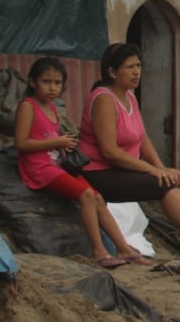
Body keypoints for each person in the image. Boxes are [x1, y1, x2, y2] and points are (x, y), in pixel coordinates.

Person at [78, 44, 180, 258]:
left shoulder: (129, 96)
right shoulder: (104, 99)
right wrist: (152, 171)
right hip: (100, 172)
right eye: (129, 67)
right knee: (163, 185)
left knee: (174, 180)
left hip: (121, 169)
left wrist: (162, 167)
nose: (136, 72)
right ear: (112, 72)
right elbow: (110, 152)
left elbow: (142, 138)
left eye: (138, 66)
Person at [14, 57, 151, 269]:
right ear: (32, 82)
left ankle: (124, 248)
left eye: (57, 83)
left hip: (56, 163)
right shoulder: (28, 106)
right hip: (39, 168)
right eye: (46, 81)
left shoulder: (52, 108)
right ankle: (98, 252)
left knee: (96, 197)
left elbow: (45, 138)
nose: (52, 88)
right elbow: (21, 143)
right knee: (86, 195)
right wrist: (57, 141)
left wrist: (62, 145)